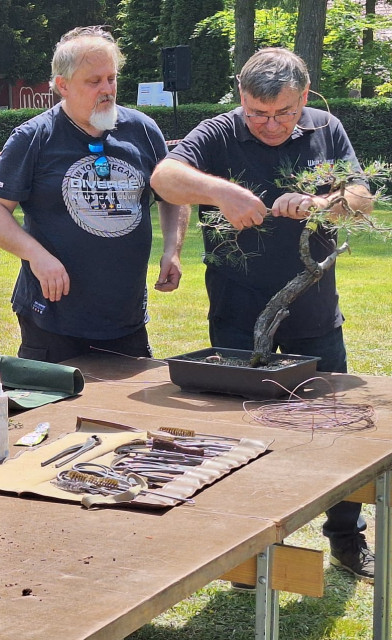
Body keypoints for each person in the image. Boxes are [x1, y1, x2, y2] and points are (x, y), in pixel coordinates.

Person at [150, 46, 376, 580]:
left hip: (314, 308)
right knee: (235, 429)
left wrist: (326, 205)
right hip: (236, 309)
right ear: (240, 96)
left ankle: (345, 537)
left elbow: (363, 195)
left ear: (305, 95)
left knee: (333, 426)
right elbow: (164, 177)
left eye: (285, 113)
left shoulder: (326, 128)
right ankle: (240, 548)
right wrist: (221, 191)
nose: (271, 124)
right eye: (257, 112)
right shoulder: (219, 132)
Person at [0, 26, 188, 363]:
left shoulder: (143, 130)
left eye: (111, 79)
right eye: (94, 82)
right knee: (51, 413)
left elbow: (173, 196)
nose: (107, 90)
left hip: (125, 319)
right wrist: (37, 255)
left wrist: (172, 250)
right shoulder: (35, 137)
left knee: (121, 414)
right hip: (52, 320)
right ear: (63, 85)